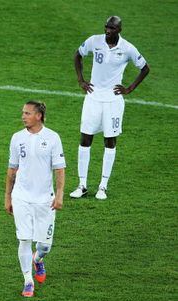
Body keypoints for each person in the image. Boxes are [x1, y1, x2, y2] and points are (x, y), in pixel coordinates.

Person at [70, 16, 150, 200]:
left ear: (119, 30)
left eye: (112, 28)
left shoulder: (128, 48)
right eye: (106, 27)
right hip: (93, 98)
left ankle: (103, 186)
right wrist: (80, 79)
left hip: (113, 101)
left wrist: (129, 88)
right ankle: (82, 185)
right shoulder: (94, 41)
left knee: (110, 141)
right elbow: (78, 54)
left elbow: (145, 68)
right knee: (85, 139)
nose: (108, 30)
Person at [5, 101, 66, 298]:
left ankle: (38, 259)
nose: (23, 116)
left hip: (44, 201)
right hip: (21, 197)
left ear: (38, 116)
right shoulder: (17, 138)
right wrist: (8, 196)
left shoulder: (52, 138)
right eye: (23, 112)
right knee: (24, 238)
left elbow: (59, 169)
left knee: (45, 246)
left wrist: (60, 194)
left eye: (27, 113)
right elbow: (12, 169)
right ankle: (28, 281)